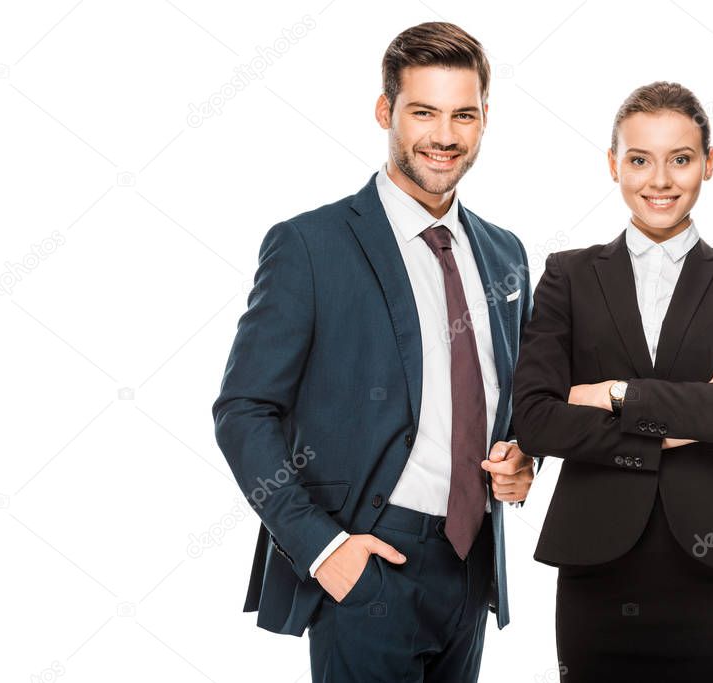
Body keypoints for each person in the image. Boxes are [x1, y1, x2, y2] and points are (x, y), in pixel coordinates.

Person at [212, 21, 537, 683]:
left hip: (472, 565)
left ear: (483, 120)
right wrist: (320, 545)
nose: (444, 135)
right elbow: (243, 410)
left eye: (463, 115)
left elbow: (517, 397)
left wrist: (524, 454)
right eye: (423, 112)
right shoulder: (309, 245)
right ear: (385, 110)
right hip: (368, 560)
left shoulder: (505, 254)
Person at [512, 81, 713, 682]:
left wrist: (615, 396)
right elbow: (535, 416)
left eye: (680, 158)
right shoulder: (568, 275)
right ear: (613, 165)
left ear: (707, 164)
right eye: (640, 159)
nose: (659, 180)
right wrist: (686, 418)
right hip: (596, 570)